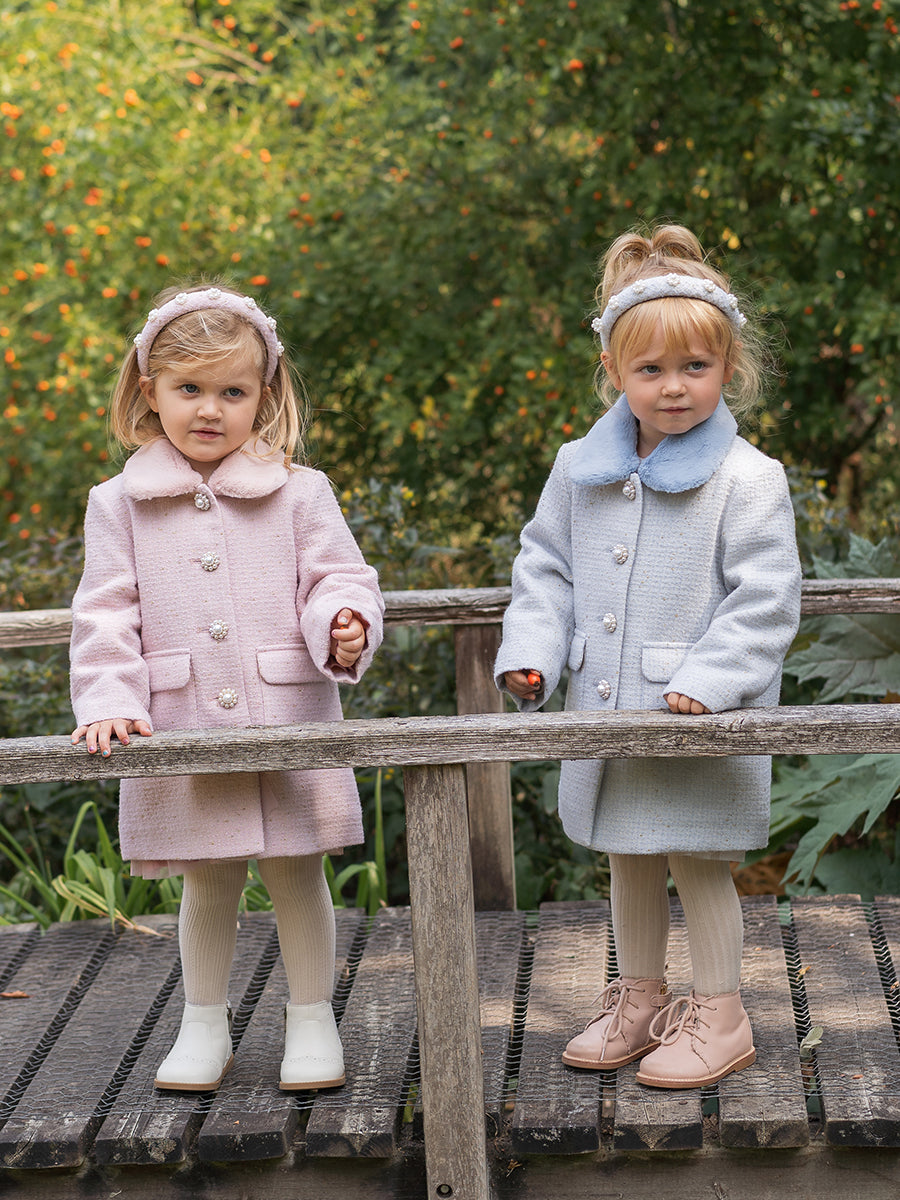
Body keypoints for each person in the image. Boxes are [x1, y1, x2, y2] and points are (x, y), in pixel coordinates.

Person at [495, 225, 801, 1089]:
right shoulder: (578, 468)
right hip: (606, 706)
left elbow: (765, 600)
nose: (673, 387)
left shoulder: (749, 479)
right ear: (614, 371)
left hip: (696, 716)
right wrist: (533, 654)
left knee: (697, 860)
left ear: (728, 366)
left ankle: (721, 1014)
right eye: (651, 369)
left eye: (695, 367)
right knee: (626, 854)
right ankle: (638, 998)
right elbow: (545, 568)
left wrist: (709, 681)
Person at [70, 283, 384, 1093]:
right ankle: (203, 1023)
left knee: (297, 871)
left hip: (286, 713)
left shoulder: (300, 491)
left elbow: (337, 577)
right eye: (190, 388)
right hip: (180, 723)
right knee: (208, 876)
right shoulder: (118, 505)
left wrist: (344, 620)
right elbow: (105, 614)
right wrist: (109, 699)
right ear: (151, 391)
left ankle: (312, 1018)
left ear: (263, 395)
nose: (210, 409)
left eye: (232, 392)